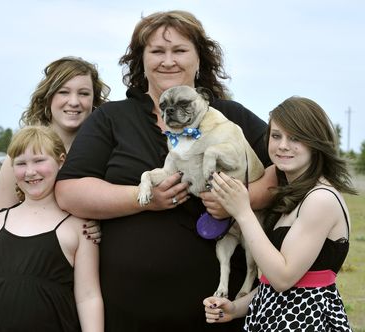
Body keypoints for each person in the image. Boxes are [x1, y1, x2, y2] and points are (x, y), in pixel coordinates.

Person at [55, 10, 276, 331]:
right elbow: (69, 190)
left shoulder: (231, 116)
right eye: (157, 51)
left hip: (219, 314)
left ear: (200, 59)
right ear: (140, 62)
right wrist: (142, 198)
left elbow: (283, 171)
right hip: (127, 313)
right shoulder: (111, 119)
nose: (168, 61)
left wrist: (243, 198)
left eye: (180, 50)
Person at [203, 96, 356, 331]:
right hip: (273, 320)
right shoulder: (294, 196)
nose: (283, 145)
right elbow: (273, 283)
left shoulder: (320, 199)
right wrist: (235, 308)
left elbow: (283, 279)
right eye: (276, 136)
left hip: (306, 323)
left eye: (295, 138)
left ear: (316, 143)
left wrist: (243, 211)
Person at [0, 126, 104, 332]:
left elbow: (88, 297)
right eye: (21, 163)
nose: (30, 171)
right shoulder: (0, 221)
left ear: (61, 161)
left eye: (39, 160)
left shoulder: (78, 226)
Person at [0, 56, 110, 213]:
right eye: (63, 92)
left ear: (94, 100)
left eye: (83, 93)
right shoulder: (20, 156)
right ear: (48, 97)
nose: (74, 102)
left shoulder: (107, 151)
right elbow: (2, 224)